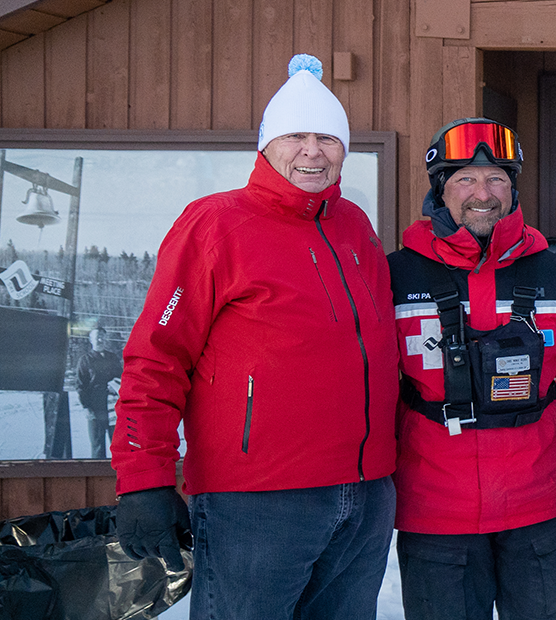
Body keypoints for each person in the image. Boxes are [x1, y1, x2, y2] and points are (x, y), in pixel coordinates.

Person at [111, 54, 400, 618]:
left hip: (364, 494)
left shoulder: (355, 228)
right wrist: (142, 477)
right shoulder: (216, 224)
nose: (312, 151)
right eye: (296, 136)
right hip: (258, 501)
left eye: (327, 138)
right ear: (266, 144)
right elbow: (156, 357)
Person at [387, 118, 556, 620]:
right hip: (434, 510)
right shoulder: (397, 276)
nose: (482, 193)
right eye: (465, 179)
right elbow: (370, 385)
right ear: (440, 189)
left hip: (537, 505)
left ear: (513, 190)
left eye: (496, 180)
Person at [77, 327, 122, 460]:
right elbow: (80, 386)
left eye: (102, 337)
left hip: (113, 408)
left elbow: (121, 377)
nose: (100, 340)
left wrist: (115, 385)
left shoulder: (112, 358)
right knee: (97, 445)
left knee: (118, 445)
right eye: (97, 337)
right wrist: (86, 407)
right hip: (95, 408)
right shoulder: (85, 360)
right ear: (91, 340)